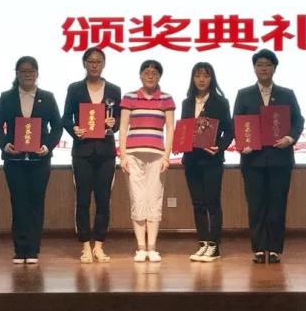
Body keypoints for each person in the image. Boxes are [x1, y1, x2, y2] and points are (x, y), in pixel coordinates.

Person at [233, 49, 304, 264]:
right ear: (254, 68)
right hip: (252, 160)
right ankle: (258, 248)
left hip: (279, 159)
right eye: (259, 65)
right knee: (256, 205)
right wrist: (243, 144)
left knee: (277, 204)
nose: (263, 68)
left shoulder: (286, 94)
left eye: (267, 65)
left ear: (274, 68)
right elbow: (237, 123)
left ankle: (274, 249)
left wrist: (290, 138)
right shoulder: (244, 94)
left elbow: (298, 121)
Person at [0, 56, 62, 265]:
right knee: (19, 203)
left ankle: (33, 249)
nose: (27, 75)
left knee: (36, 204)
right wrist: (5, 144)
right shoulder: (7, 98)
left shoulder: (47, 97)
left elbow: (57, 126)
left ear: (37, 73)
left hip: (40, 161)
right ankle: (19, 249)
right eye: (23, 71)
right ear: (17, 74)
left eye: (31, 71)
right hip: (14, 162)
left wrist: (47, 146)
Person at [62, 47, 122, 264]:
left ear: (104, 64)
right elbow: (66, 118)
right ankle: (85, 245)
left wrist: (113, 124)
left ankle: (99, 245)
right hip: (83, 152)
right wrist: (75, 130)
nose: (94, 65)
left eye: (98, 61)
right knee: (83, 199)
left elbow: (119, 120)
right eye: (91, 61)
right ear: (84, 64)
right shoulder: (75, 89)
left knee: (104, 200)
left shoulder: (114, 90)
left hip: (106, 152)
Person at [118, 59, 175, 263]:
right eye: (147, 72)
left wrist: (167, 156)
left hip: (157, 156)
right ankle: (141, 248)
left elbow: (171, 129)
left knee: (154, 199)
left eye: (155, 73)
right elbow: (123, 127)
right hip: (133, 155)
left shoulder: (166, 98)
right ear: (140, 75)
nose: (150, 75)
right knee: (137, 199)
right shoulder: (129, 97)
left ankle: (152, 247)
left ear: (160, 76)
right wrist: (123, 155)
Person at [180, 62, 234, 262]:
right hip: (191, 160)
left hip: (212, 160)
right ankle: (203, 243)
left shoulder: (220, 102)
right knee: (198, 203)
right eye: (198, 75)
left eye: (206, 75)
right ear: (192, 78)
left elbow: (229, 131)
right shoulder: (187, 102)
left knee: (212, 202)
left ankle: (214, 245)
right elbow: (184, 129)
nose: (201, 79)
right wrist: (180, 142)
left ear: (212, 78)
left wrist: (219, 146)